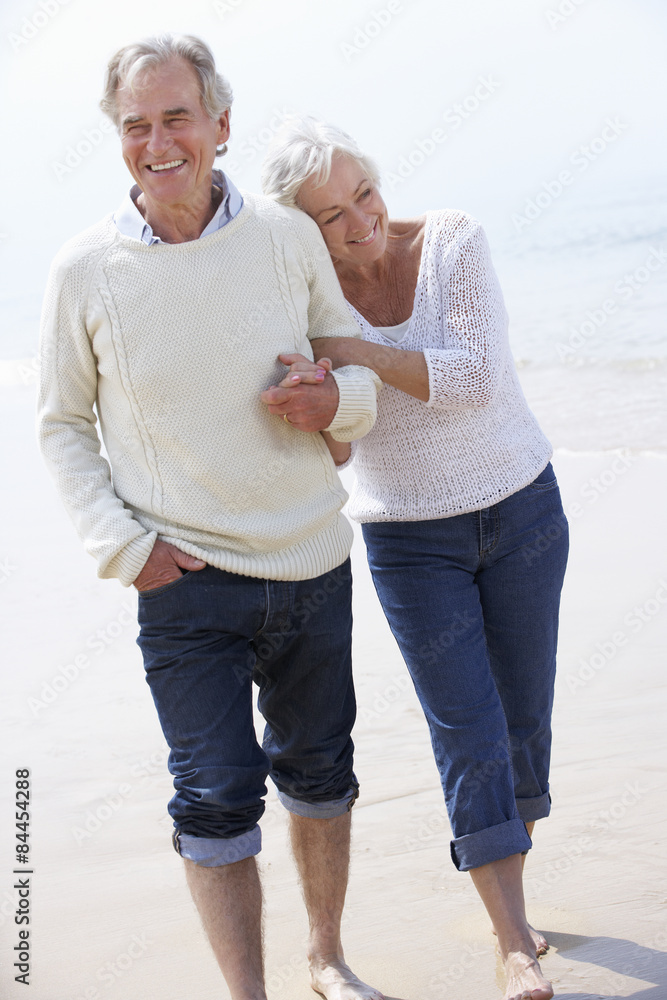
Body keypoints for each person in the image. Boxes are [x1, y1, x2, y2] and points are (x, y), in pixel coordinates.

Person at [37, 40, 384, 1000]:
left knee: (320, 774)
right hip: (183, 577)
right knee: (215, 797)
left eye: (175, 116)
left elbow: (344, 364)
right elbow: (61, 424)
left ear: (220, 124)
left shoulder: (282, 234)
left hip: (311, 559)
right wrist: (126, 547)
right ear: (120, 141)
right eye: (135, 125)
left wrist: (337, 404)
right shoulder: (84, 270)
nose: (158, 142)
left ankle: (326, 957)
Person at [261, 116, 569, 1000]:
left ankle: (514, 884)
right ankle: (511, 941)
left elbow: (470, 376)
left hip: (523, 511)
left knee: (522, 723)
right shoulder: (305, 307)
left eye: (363, 194)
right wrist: (316, 407)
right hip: (408, 537)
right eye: (330, 216)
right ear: (302, 232)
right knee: (465, 729)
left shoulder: (453, 239)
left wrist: (354, 352)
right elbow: (344, 449)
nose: (359, 221)